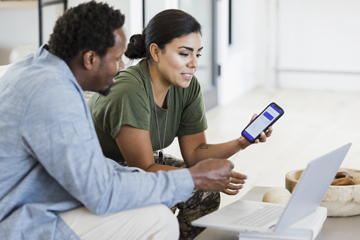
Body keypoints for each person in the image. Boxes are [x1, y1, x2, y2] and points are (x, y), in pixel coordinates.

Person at [0, 2, 236, 240]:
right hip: (21, 216)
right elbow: (102, 193)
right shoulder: (53, 95)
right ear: (90, 58)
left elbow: (97, 169)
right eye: (115, 58)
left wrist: (182, 177)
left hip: (41, 194)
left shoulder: (37, 65)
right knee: (158, 220)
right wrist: (191, 178)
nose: (122, 66)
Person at [88, 9, 272, 239]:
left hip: (135, 164)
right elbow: (144, 168)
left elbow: (195, 154)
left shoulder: (187, 86)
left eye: (198, 54)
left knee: (205, 193)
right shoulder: (130, 91)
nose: (194, 64)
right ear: (155, 51)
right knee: (164, 200)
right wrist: (201, 176)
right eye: (184, 54)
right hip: (101, 171)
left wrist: (241, 142)